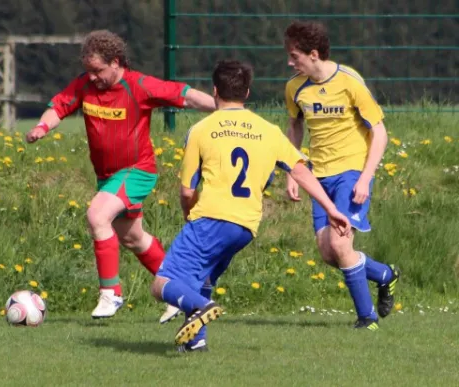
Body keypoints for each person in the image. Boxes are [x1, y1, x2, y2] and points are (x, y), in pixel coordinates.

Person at [150, 59, 352, 352]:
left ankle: (201, 306)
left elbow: (186, 190)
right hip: (245, 226)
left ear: (215, 90)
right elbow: (300, 170)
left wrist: (189, 214)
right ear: (246, 93)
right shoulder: (268, 130)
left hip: (211, 217)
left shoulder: (202, 129)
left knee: (162, 284)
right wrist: (332, 209)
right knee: (202, 276)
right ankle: (196, 343)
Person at [25, 30, 216, 321]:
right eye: (88, 71)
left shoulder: (138, 86)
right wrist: (42, 127)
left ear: (115, 62)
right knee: (134, 239)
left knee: (97, 216)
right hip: (108, 177)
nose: (92, 77)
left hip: (137, 172)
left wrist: (225, 109)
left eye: (98, 70)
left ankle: (111, 292)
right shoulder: (84, 85)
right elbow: (59, 106)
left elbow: (184, 95)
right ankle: (181, 290)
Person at [283, 20, 400, 330]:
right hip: (317, 176)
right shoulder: (295, 88)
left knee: (339, 244)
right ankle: (385, 275)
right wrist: (292, 173)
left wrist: (365, 178)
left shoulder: (350, 81)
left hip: (351, 173)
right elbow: (295, 127)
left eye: (294, 56)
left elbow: (380, 132)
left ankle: (367, 318)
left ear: (313, 54)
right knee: (329, 253)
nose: (289, 62)